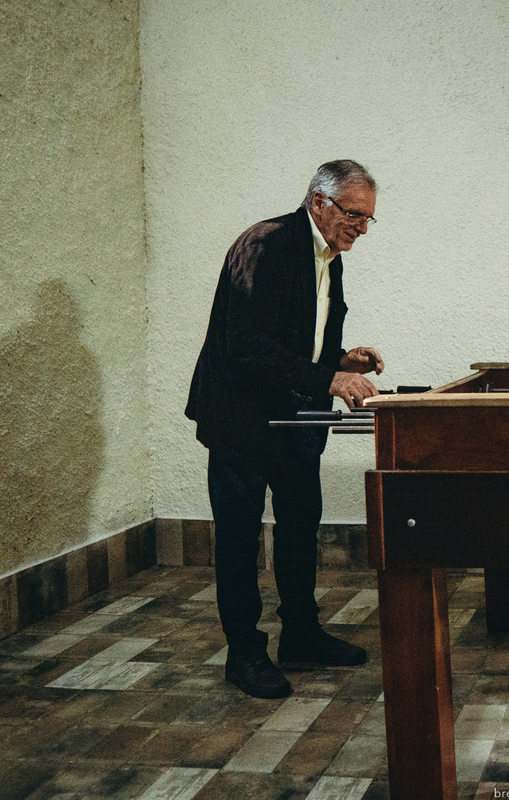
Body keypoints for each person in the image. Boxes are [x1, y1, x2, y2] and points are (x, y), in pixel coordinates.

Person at [186, 159, 384, 698]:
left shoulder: (329, 258)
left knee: (300, 526)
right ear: (319, 201)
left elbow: (297, 341)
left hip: (294, 417)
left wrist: (342, 359)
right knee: (239, 537)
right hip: (242, 419)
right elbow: (246, 344)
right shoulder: (265, 245)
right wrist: (329, 378)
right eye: (354, 215)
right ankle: (245, 652)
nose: (362, 229)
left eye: (368, 219)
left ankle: (300, 634)